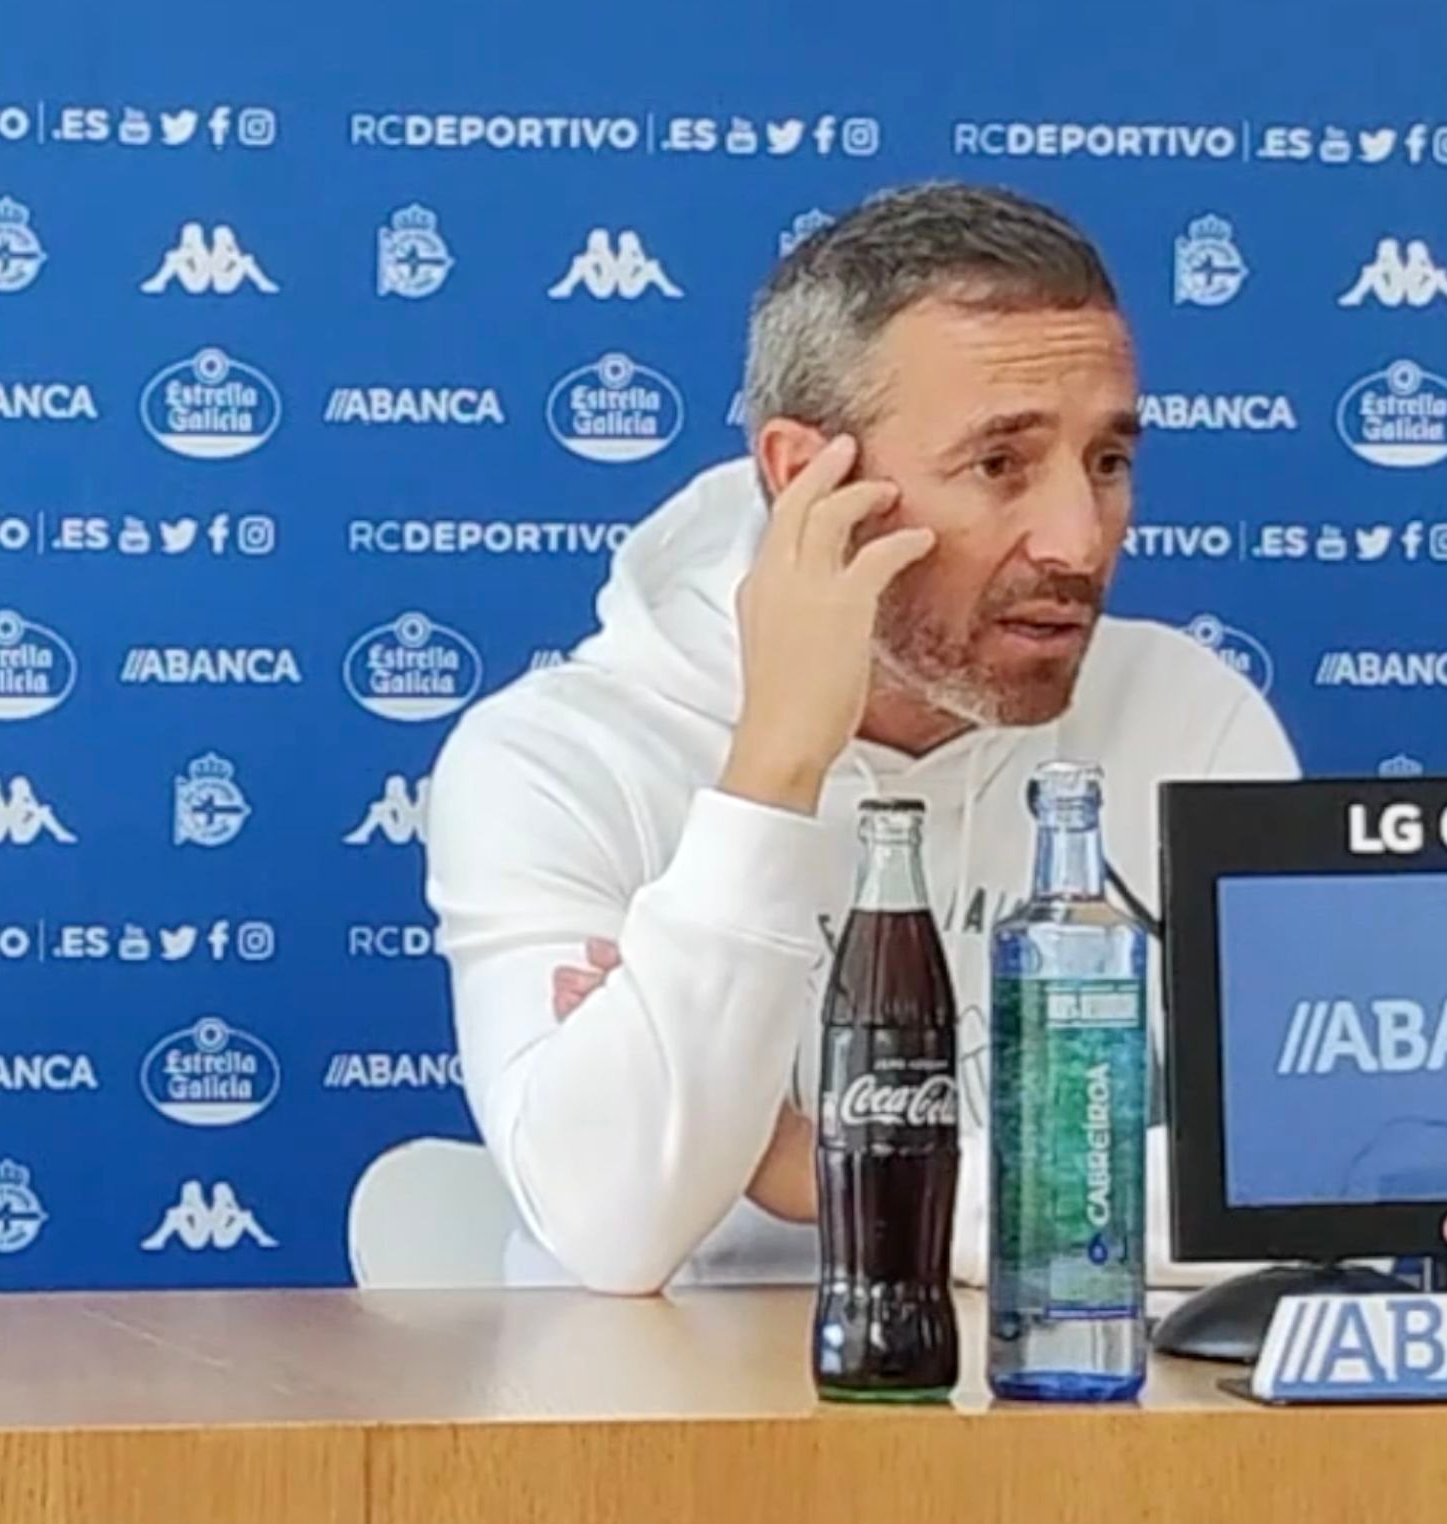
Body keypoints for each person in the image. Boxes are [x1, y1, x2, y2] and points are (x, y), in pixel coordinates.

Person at [425, 181, 1297, 1295]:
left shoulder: (1188, 716)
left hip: (1081, 1424)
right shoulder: (553, 758)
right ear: (806, 477)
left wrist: (822, 1167)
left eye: (1108, 462)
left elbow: (1299, 1191)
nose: (1077, 541)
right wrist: (773, 768)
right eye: (999, 466)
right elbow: (614, 1228)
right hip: (674, 1440)